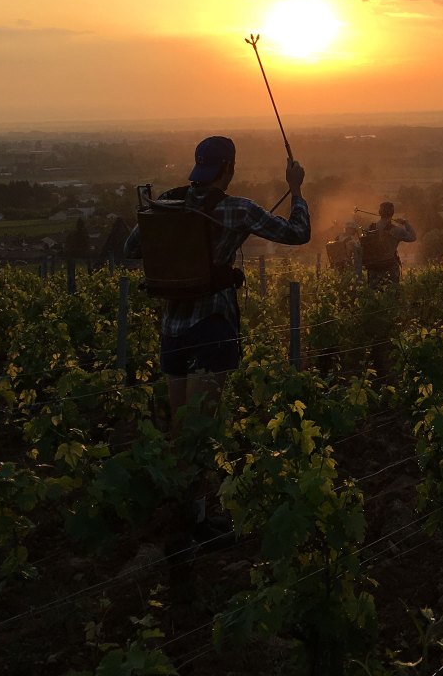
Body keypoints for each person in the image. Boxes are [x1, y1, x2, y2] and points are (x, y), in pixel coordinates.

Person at [125, 135, 310, 537]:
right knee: (202, 429)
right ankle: (196, 522)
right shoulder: (237, 209)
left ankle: (183, 513)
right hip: (212, 326)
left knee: (181, 430)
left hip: (172, 330)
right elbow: (298, 233)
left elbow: (131, 247)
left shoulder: (168, 203)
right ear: (229, 168)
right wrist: (295, 190)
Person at [360, 200, 415, 287]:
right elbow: (412, 237)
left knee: (374, 293)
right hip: (390, 269)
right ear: (392, 213)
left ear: (380, 213)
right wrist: (405, 223)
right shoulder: (396, 230)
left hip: (373, 269)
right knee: (391, 293)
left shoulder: (369, 229)